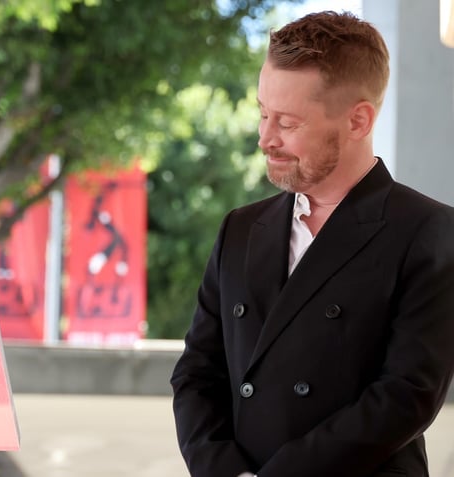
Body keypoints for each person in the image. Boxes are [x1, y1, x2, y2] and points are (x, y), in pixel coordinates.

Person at [170, 11, 454, 477]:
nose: (265, 138)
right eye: (263, 113)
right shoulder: (239, 230)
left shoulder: (429, 230)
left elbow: (406, 395)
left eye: (288, 122)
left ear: (359, 120)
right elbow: (197, 373)